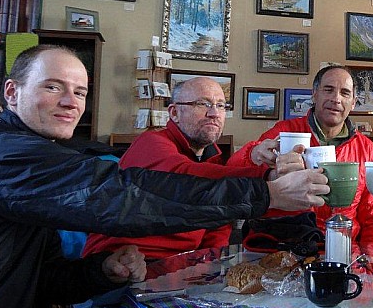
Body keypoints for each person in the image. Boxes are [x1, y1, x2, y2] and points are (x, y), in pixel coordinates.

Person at [0, 45, 328, 308]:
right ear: (11, 93)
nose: (71, 102)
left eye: (81, 92)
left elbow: (45, 279)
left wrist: (101, 270)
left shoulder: (42, 156)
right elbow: (129, 196)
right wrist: (266, 191)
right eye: (53, 87)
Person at [83, 76, 269, 260]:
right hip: (120, 265)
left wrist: (211, 266)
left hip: (180, 270)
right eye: (202, 104)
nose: (214, 114)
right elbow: (185, 177)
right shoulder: (150, 142)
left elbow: (219, 222)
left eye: (220, 105)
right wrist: (268, 176)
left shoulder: (213, 159)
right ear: (174, 113)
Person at [227, 65, 373, 264]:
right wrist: (253, 154)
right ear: (314, 94)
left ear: (354, 103)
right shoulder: (286, 132)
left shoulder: (367, 149)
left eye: (345, 93)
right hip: (282, 251)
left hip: (343, 253)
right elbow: (233, 171)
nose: (336, 99)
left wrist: (372, 266)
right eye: (328, 90)